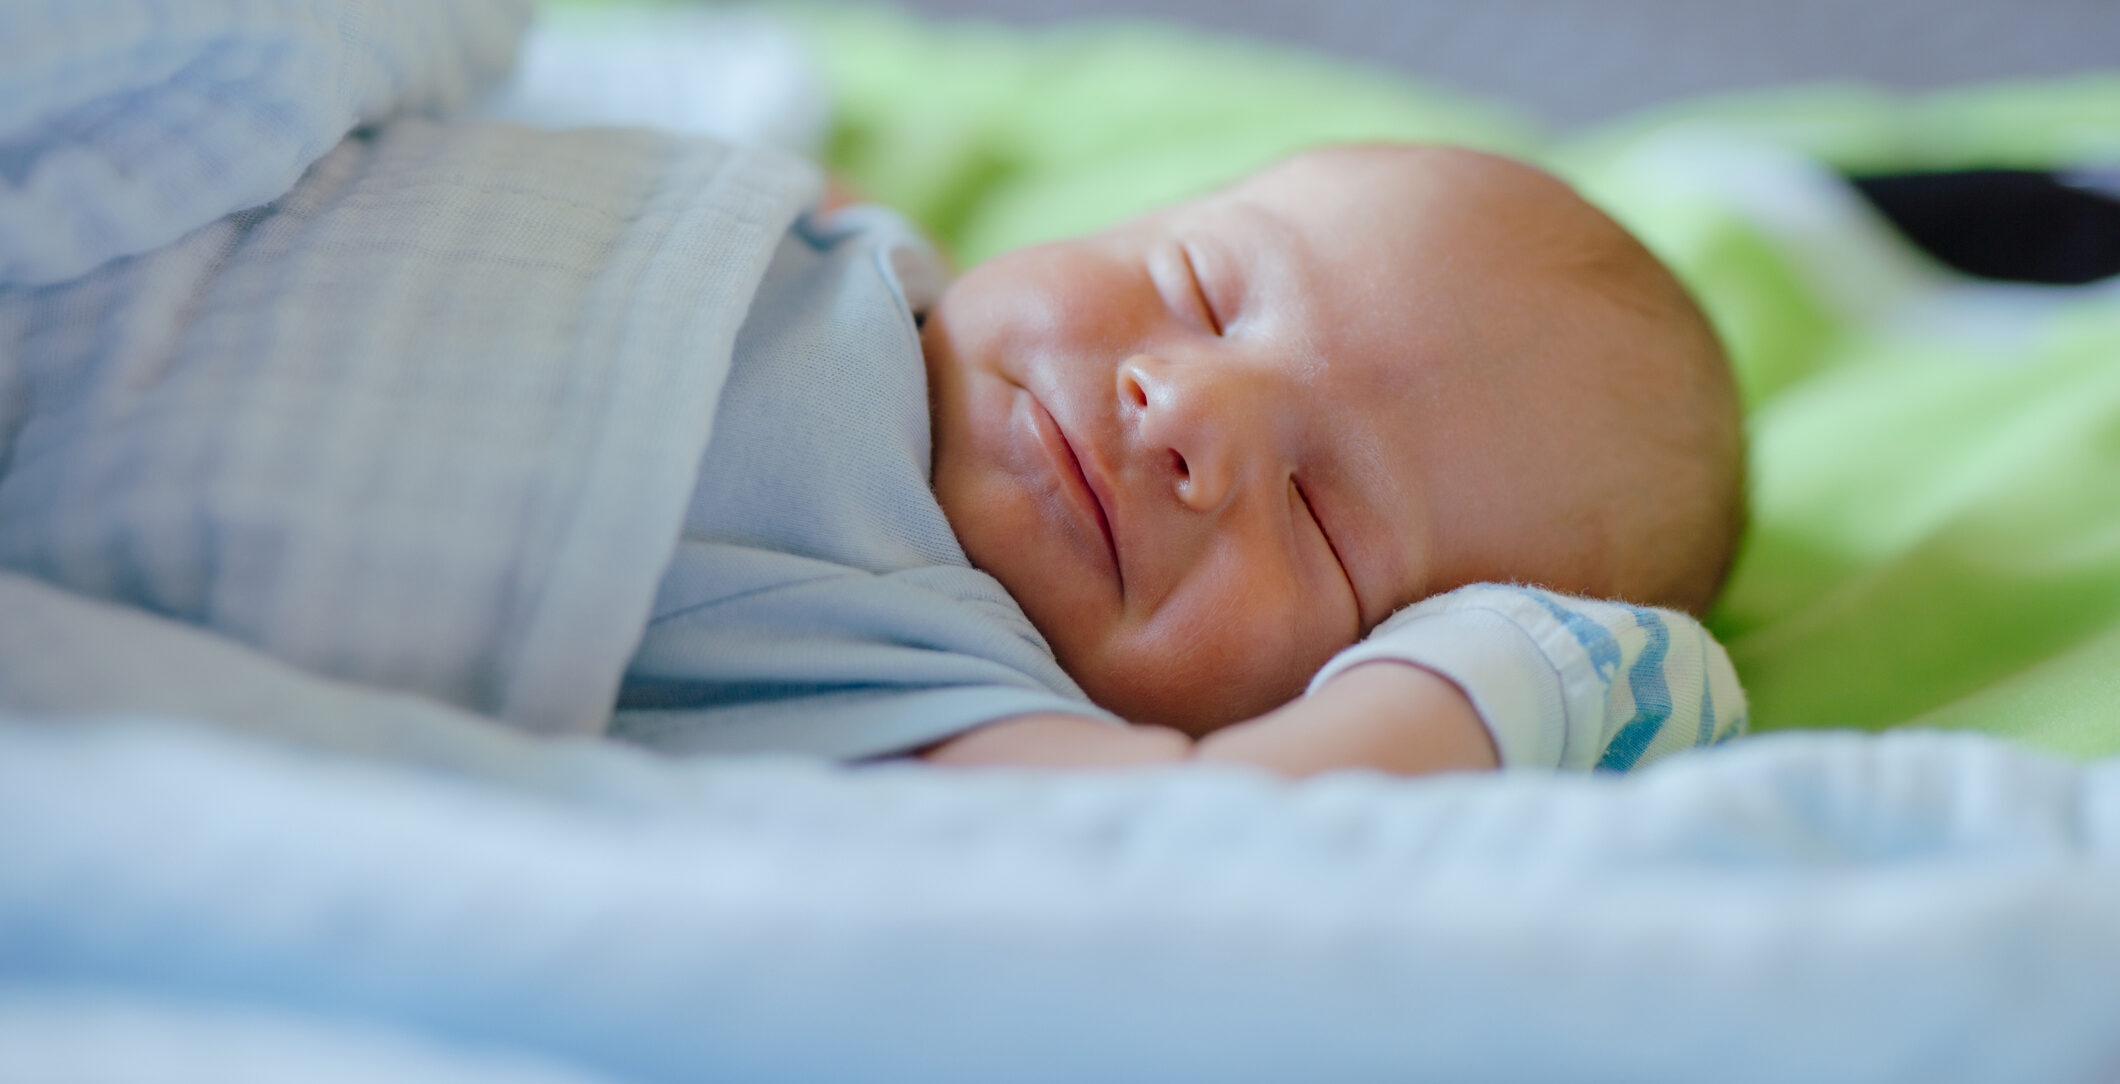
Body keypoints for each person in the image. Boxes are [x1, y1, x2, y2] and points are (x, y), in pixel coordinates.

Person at [618, 142, 1749, 776]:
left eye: (1320, 523)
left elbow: (1228, 834)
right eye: (1199, 292)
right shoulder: (829, 221)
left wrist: (1526, 661)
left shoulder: (964, 709)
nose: (1189, 414)